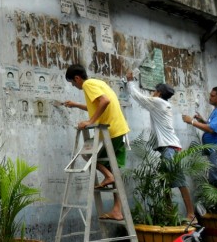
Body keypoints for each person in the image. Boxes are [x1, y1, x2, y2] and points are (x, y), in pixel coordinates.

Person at [55, 64, 130, 221]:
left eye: (72, 83)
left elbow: (105, 101)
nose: (73, 86)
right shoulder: (97, 82)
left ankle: (108, 176)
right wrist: (75, 105)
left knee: (88, 156)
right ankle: (117, 210)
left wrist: (90, 122)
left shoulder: (88, 85)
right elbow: (97, 105)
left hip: (111, 131)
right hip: (119, 130)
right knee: (114, 170)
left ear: (77, 78)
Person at [126, 71, 196, 221]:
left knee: (179, 181)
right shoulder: (163, 104)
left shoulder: (157, 103)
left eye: (154, 91)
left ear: (158, 93)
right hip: (169, 148)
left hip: (169, 148)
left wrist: (130, 81)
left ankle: (191, 214)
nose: (152, 93)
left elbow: (139, 98)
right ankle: (170, 212)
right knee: (167, 182)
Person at [182, 86, 217, 198]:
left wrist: (192, 121)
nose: (210, 98)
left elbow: (213, 129)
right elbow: (215, 126)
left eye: (213, 96)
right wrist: (203, 121)